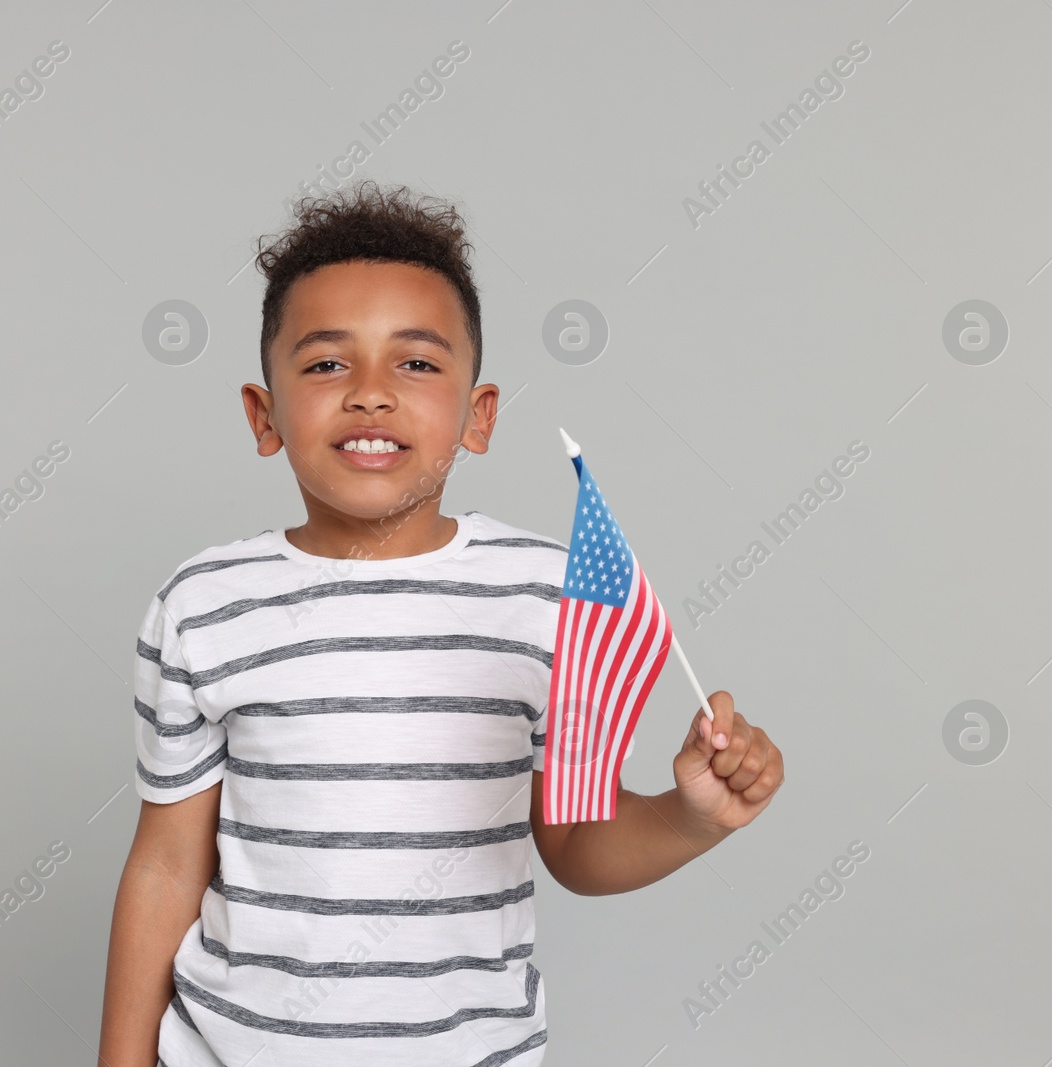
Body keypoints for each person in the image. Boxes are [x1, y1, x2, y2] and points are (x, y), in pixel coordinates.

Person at [98, 181, 784, 1066]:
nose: (371, 394)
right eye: (325, 364)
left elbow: (575, 844)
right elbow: (163, 866)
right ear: (264, 415)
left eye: (416, 363)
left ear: (479, 414)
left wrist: (693, 817)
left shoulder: (546, 595)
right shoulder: (204, 603)